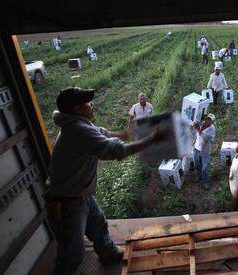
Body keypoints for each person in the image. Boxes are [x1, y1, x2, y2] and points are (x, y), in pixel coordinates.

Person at [45, 87, 167, 275]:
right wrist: (152, 139)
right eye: (87, 102)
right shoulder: (78, 130)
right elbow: (118, 151)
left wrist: (125, 134)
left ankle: (108, 254)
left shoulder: (77, 123)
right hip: (66, 203)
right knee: (73, 254)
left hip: (81, 195)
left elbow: (102, 132)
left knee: (98, 225)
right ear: (78, 109)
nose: (92, 104)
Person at [193, 114, 216, 190]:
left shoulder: (212, 129)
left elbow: (205, 138)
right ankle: (199, 177)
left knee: (205, 168)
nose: (208, 121)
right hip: (196, 149)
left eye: (210, 120)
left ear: (212, 122)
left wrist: (198, 129)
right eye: (207, 119)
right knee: (197, 165)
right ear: (205, 119)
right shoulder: (201, 123)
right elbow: (196, 133)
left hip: (205, 151)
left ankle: (206, 182)